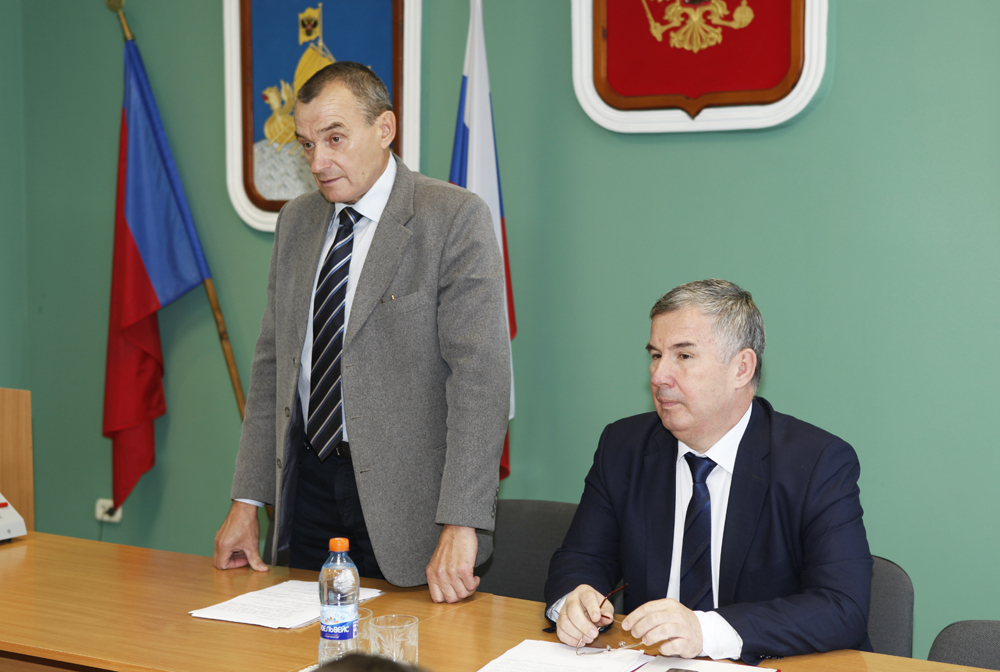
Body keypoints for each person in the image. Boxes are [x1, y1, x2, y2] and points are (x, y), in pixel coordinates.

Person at [212, 62, 511, 604]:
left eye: (335, 139)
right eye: (306, 145)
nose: (318, 162)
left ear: (384, 128)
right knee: (306, 640)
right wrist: (247, 500)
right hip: (308, 486)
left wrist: (461, 520)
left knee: (410, 645)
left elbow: (480, 381)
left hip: (412, 507)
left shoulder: (451, 217)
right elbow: (273, 366)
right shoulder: (297, 221)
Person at [544, 279, 872, 664]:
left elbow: (841, 606)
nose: (658, 376)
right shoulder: (623, 446)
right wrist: (574, 600)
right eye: (655, 355)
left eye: (683, 356)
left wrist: (706, 632)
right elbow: (582, 558)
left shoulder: (817, 462)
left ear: (741, 369)